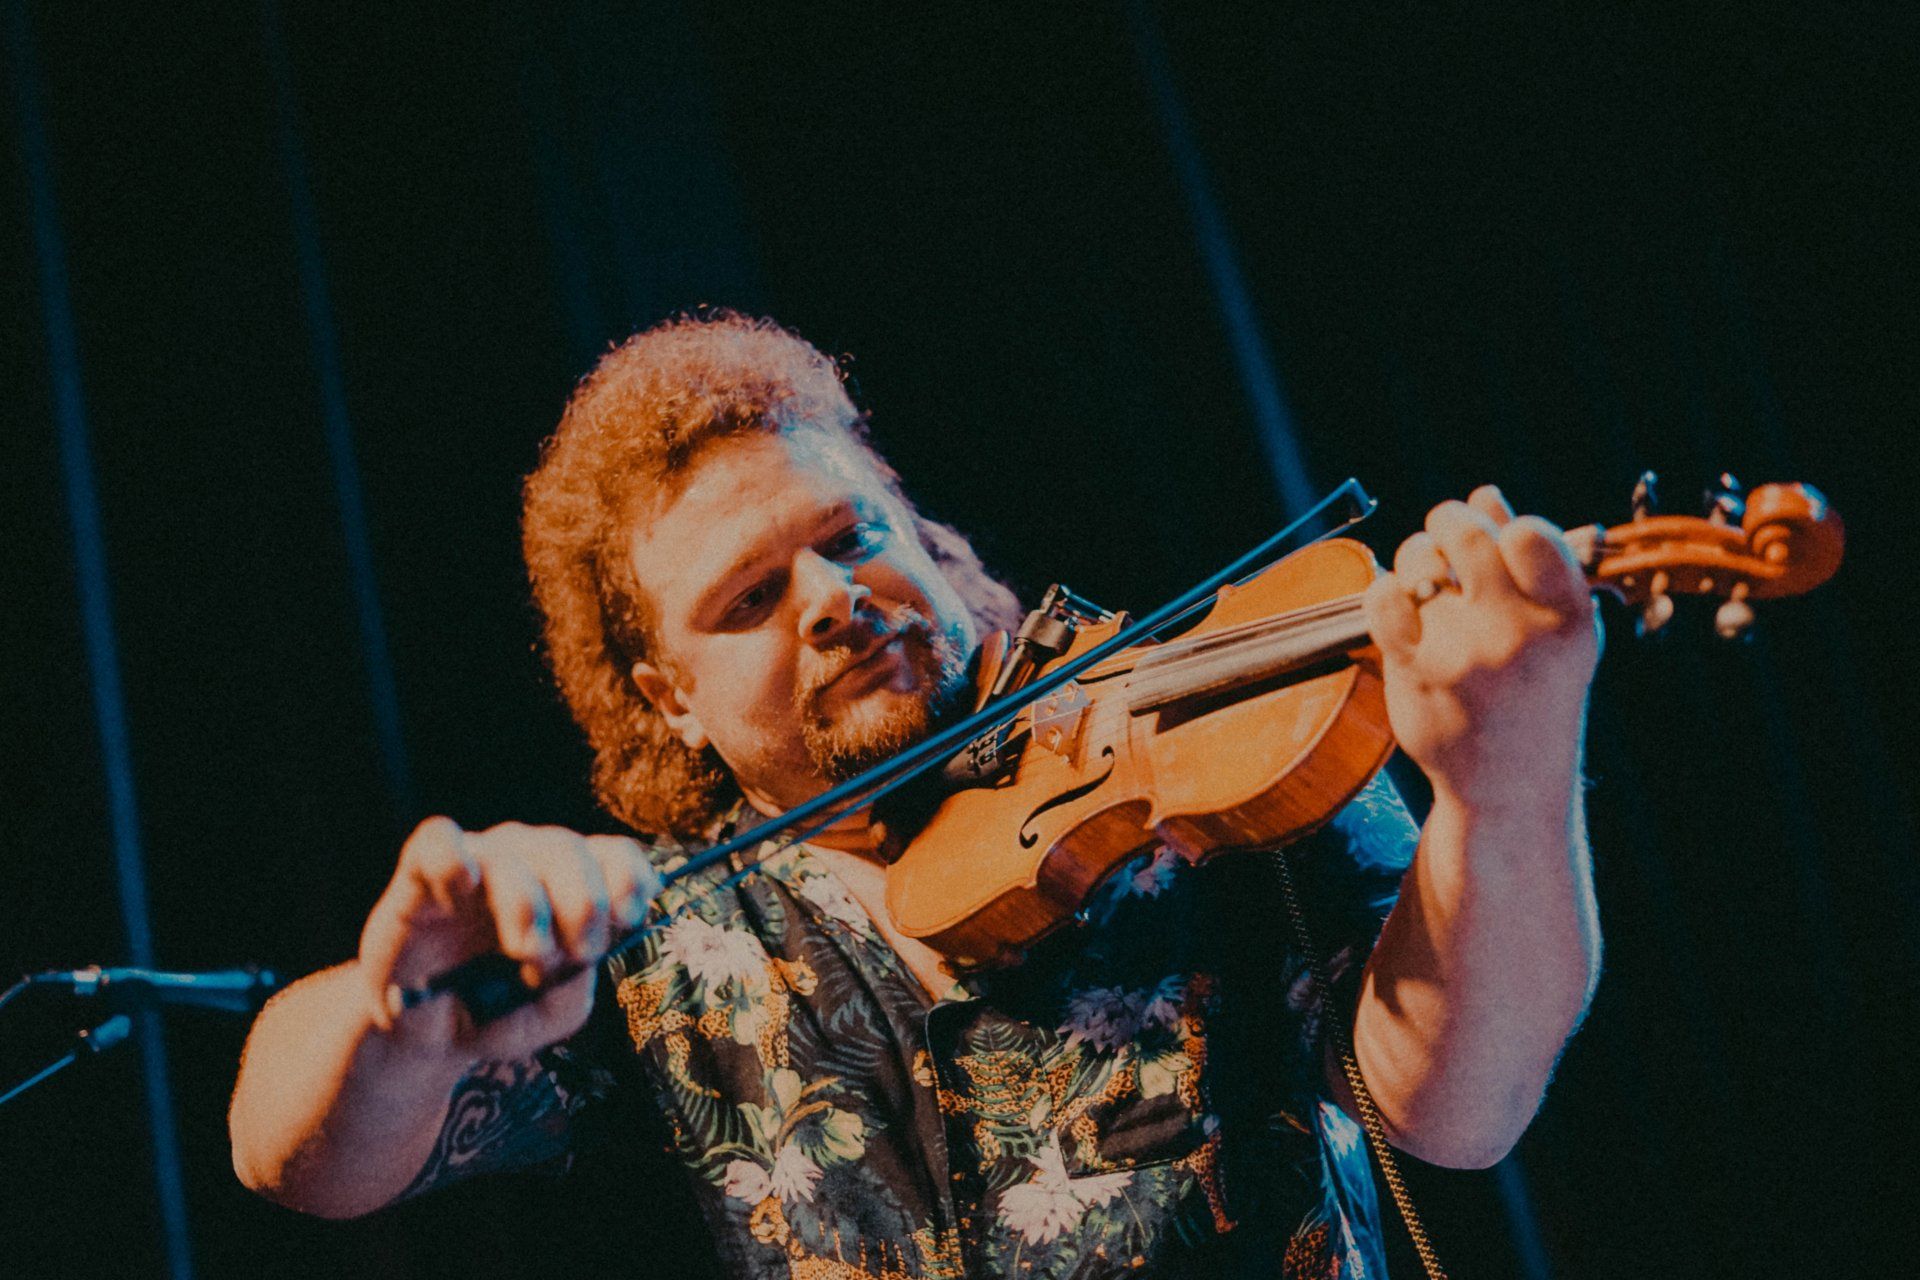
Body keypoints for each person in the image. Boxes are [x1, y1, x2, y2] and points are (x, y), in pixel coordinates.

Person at [229, 312, 1602, 1278]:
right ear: (667, 700)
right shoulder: (666, 947)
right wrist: (392, 1001)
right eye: (749, 601)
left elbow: (1460, 1105)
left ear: (922, 532)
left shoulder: (1192, 732)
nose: (832, 600)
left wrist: (1509, 777)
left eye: (853, 535)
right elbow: (298, 1156)